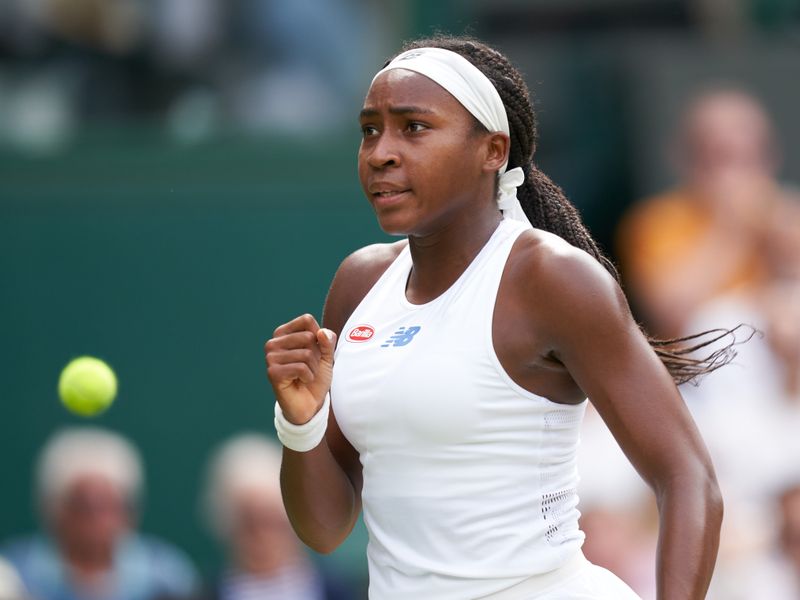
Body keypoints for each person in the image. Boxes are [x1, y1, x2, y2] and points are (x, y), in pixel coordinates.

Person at [264, 35, 729, 599]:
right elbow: (325, 528)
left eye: (414, 127)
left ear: (492, 151)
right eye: (369, 130)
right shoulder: (359, 282)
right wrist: (301, 424)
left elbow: (688, 477)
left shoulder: (552, 278)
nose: (381, 152)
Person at [615, 88, 797, 338]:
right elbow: (670, 312)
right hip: (699, 357)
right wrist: (732, 228)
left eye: (749, 158)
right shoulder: (655, 222)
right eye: (721, 158)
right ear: (687, 161)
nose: (737, 175)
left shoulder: (785, 214)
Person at [0, 426, 200, 600]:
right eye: (83, 506)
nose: (96, 520)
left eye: (107, 506)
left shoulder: (167, 576)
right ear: (54, 510)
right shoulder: (12, 573)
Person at [194, 433, 355, 600]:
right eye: (249, 522)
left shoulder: (340, 591)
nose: (263, 536)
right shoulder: (204, 593)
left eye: (272, 521)